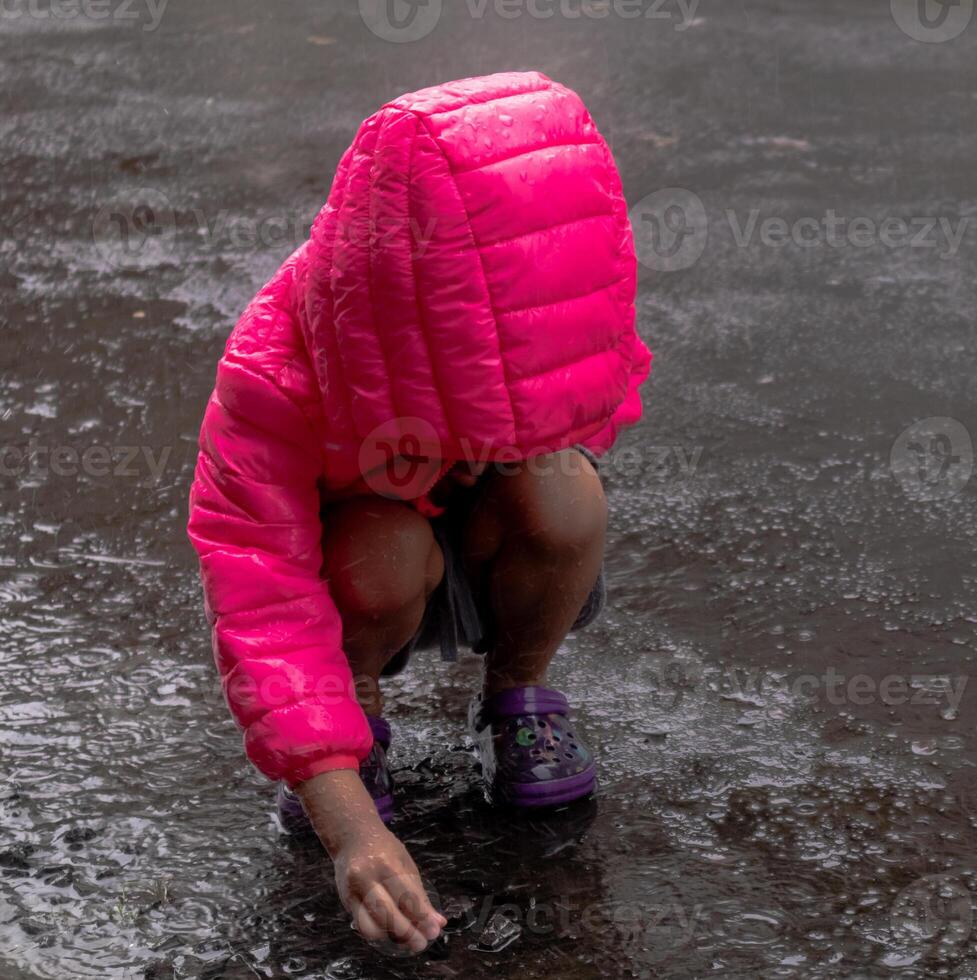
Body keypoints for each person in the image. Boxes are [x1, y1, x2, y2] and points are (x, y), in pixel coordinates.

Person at [185, 72, 651, 954]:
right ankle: (356, 729)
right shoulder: (275, 375)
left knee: (563, 491)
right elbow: (262, 596)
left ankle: (519, 697)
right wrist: (349, 823)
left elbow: (573, 402)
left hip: (467, 538)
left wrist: (501, 446)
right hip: (366, 570)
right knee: (380, 555)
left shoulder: (520, 321)